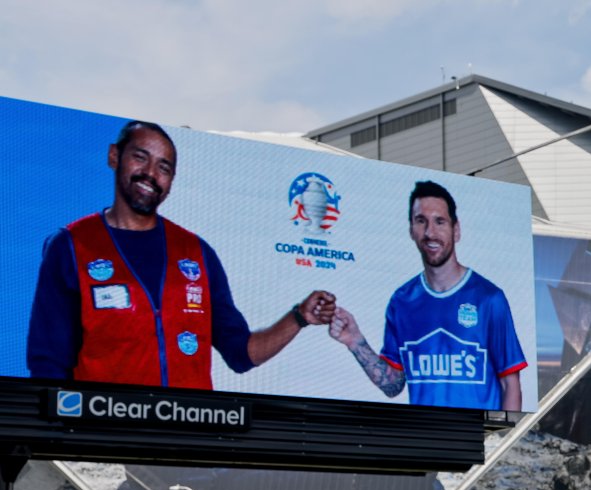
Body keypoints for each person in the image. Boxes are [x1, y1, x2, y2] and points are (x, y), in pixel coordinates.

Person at [27, 120, 336, 389]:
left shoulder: (196, 253)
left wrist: (298, 317)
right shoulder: (71, 244)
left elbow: (242, 354)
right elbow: (48, 362)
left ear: (171, 182)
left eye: (164, 168)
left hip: (187, 439)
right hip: (105, 436)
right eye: (140, 157)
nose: (150, 174)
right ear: (114, 156)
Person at [330, 180, 526, 411]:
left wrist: (501, 440)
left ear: (456, 230)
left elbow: (510, 384)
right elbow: (393, 386)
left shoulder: (489, 298)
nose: (430, 232)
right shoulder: (401, 301)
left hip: (477, 439)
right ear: (411, 230)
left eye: (440, 222)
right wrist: (355, 341)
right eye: (421, 221)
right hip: (427, 440)